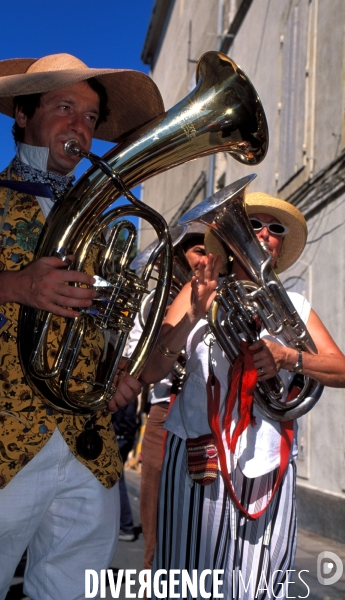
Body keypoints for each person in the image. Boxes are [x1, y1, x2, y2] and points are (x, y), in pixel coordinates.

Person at [0, 53, 165, 600]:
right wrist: (15, 285)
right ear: (22, 115)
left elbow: (106, 325)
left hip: (87, 452)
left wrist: (119, 373)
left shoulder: (102, 222)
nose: (80, 128)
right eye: (65, 108)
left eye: (91, 117)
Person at [140, 191, 345, 600]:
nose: (264, 234)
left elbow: (340, 369)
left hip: (270, 462)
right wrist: (193, 316)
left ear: (281, 244)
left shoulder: (297, 306)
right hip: (201, 458)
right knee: (189, 580)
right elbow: (149, 372)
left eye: (275, 228)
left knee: (262, 584)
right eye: (253, 225)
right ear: (231, 239)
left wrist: (289, 357)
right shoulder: (197, 292)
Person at [130, 223, 207, 569]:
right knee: (157, 525)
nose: (206, 259)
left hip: (210, 416)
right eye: (199, 251)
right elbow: (135, 359)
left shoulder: (222, 294)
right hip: (165, 412)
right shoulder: (155, 301)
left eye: (211, 252)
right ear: (180, 256)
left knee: (203, 528)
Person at [112, 398, 139, 541]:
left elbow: (128, 418)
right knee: (115, 480)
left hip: (119, 437)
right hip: (123, 437)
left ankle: (126, 525)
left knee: (117, 480)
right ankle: (123, 524)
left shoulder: (125, 387)